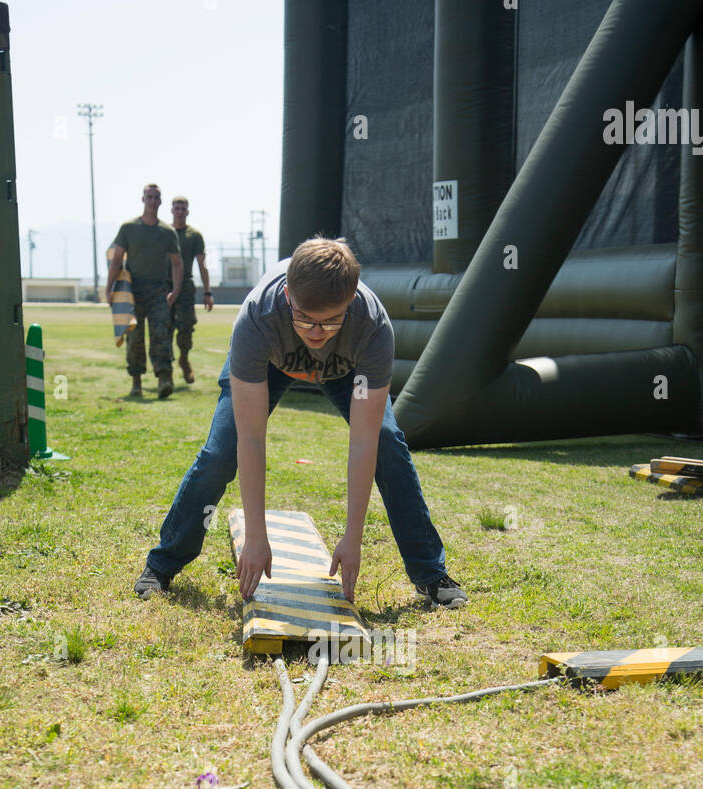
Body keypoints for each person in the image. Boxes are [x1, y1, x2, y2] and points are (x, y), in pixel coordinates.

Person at [133, 236, 468, 608]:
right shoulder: (257, 318)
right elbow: (252, 439)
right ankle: (162, 564)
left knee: (388, 442)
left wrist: (352, 536)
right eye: (306, 319)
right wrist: (256, 536)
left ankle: (430, 573)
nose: (316, 333)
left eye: (331, 321)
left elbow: (363, 442)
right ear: (289, 294)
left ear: (352, 298)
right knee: (220, 452)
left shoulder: (372, 326)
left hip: (346, 370)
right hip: (270, 362)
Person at [106, 184, 183, 399]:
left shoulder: (167, 232)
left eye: (156, 197)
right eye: (149, 197)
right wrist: (109, 288)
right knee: (135, 337)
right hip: (133, 291)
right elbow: (117, 260)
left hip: (159, 291)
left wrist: (175, 290)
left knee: (161, 334)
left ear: (160, 202)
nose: (152, 201)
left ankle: (164, 379)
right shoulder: (128, 228)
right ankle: (136, 382)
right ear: (143, 199)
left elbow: (177, 263)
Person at [167, 196, 213, 383]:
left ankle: (184, 359)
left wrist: (207, 292)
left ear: (187, 211)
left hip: (186, 287)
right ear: (171, 210)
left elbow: (203, 265)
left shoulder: (194, 235)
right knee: (164, 328)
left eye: (183, 208)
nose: (179, 211)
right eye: (176, 208)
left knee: (186, 327)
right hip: (164, 286)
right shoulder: (164, 232)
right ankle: (166, 371)